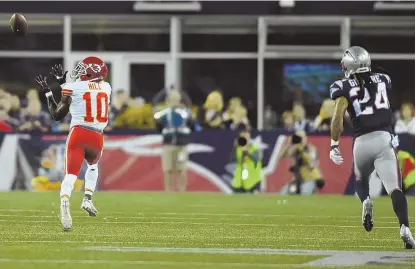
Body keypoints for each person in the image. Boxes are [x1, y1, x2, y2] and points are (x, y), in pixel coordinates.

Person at [328, 46, 414, 249]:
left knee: (360, 179)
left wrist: (334, 144)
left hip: (362, 141)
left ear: (347, 66)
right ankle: (405, 227)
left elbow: (338, 116)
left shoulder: (342, 86)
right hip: (385, 138)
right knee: (395, 189)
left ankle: (366, 200)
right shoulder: (384, 79)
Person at [35, 58, 111, 231]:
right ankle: (88, 199)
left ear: (90, 72)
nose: (79, 72)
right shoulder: (107, 88)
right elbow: (85, 93)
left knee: (71, 175)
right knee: (93, 166)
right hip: (97, 136)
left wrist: (48, 92)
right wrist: (63, 84)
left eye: (83, 69)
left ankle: (64, 201)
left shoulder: (74, 87)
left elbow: (57, 114)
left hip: (79, 133)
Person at [153, 88, 199, 192]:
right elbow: (158, 127)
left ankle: (182, 191)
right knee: (167, 169)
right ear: (168, 100)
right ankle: (168, 190)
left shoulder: (186, 112)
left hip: (181, 145)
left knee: (181, 169)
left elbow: (193, 126)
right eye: (171, 98)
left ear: (179, 99)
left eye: (176, 98)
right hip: (168, 144)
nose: (173, 101)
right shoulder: (163, 113)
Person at [231, 126, 263, 193]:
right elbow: (233, 160)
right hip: (240, 181)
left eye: (246, 135)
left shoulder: (254, 148)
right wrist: (235, 148)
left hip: (253, 180)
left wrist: (247, 152)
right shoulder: (237, 148)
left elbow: (257, 158)